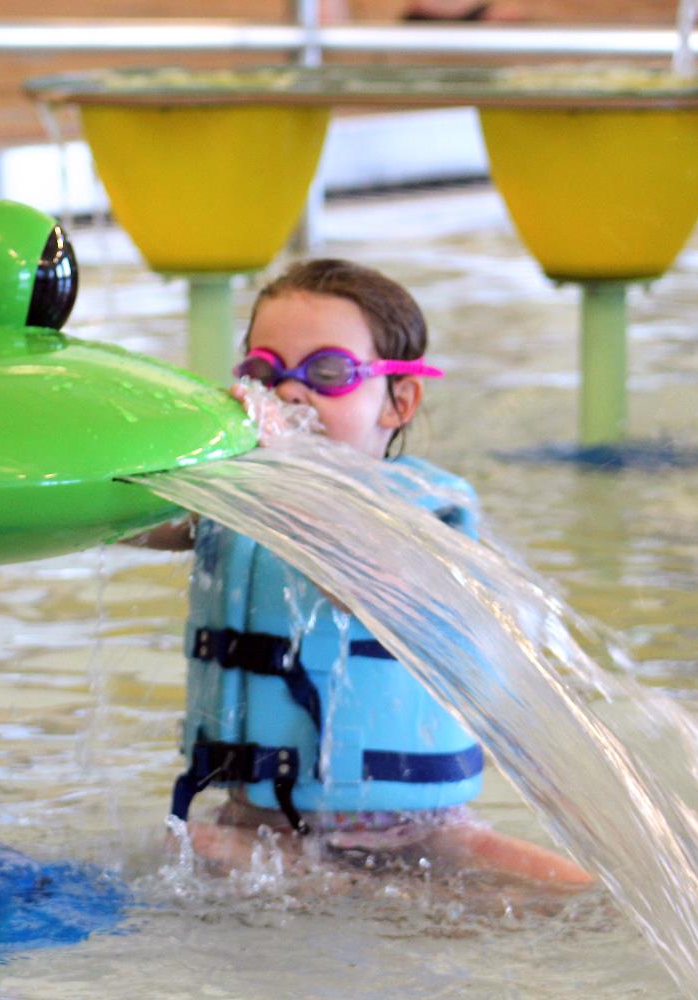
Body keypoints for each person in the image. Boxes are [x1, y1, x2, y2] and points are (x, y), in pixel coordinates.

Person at [137, 258, 591, 889]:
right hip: (254, 826)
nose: (292, 393)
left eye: (327, 373)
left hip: (422, 832)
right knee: (192, 848)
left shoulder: (421, 508)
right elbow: (115, 517)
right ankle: (348, 892)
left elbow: (370, 585)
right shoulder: (230, 504)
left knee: (583, 899)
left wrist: (289, 465)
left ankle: (353, 891)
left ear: (398, 400)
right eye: (266, 372)